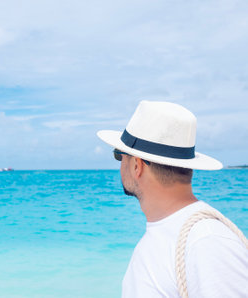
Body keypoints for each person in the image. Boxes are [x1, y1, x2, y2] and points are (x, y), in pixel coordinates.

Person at [96, 100, 248, 297]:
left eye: (119, 155)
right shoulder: (175, 236)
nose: (119, 164)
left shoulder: (207, 242)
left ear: (137, 166)